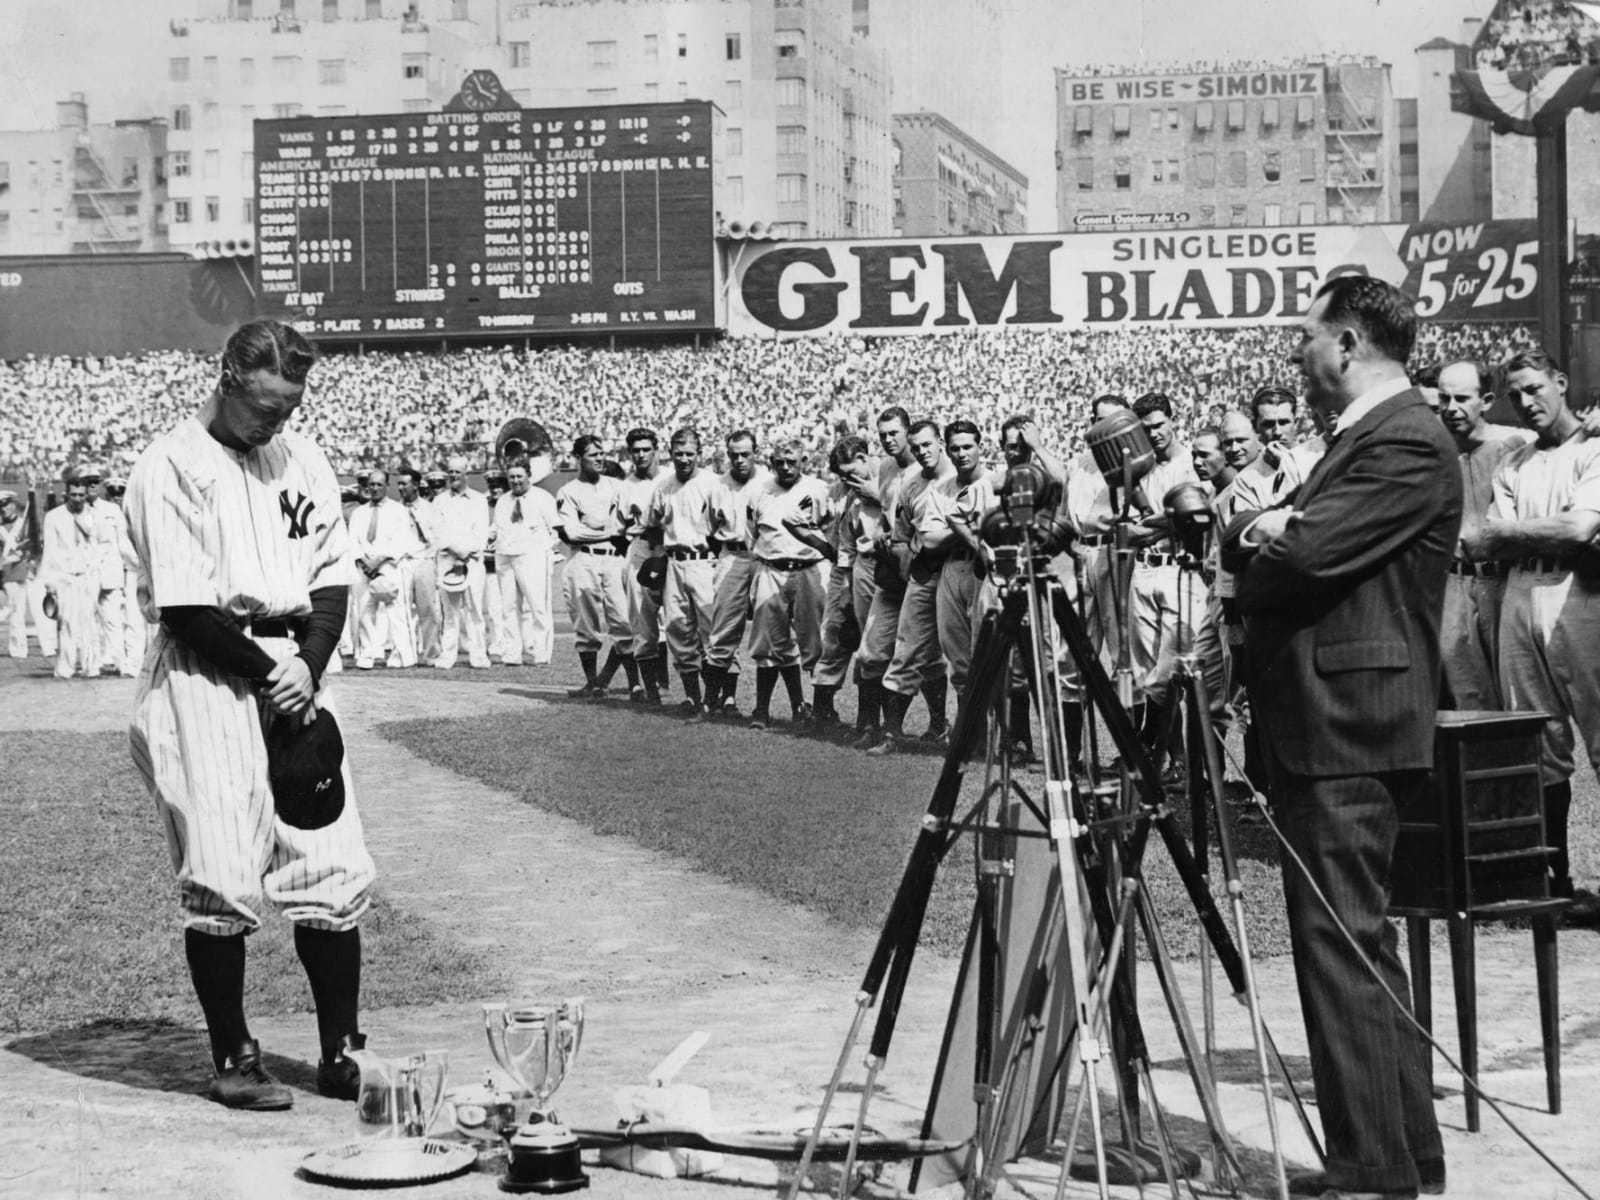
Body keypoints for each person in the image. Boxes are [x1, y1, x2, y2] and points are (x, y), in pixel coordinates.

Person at [1223, 275, 1453, 1199]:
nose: (1298, 358)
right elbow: (1280, 541)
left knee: (1339, 947)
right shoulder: (1365, 439)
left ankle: (1370, 1169)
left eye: (1306, 340)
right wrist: (1268, 528)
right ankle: (1404, 1158)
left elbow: (1307, 555)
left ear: (1348, 342)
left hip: (1348, 726)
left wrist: (1272, 535)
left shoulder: (1402, 439)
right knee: (1359, 945)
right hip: (1336, 722)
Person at [125, 319, 375, 1111]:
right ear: (227, 378)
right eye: (267, 407)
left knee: (331, 864)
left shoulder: (300, 456)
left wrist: (308, 665)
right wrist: (279, 674)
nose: (278, 424)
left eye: (289, 408)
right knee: (225, 871)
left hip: (296, 668)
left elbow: (332, 575)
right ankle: (234, 1057)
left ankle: (342, 1051)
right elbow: (187, 608)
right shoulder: (171, 465)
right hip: (208, 673)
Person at [1461, 348, 1600, 924]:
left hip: (1583, 597)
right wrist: (1526, 535)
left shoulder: (1593, 448)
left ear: (1561, 383)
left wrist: (1511, 534)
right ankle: (1554, 884)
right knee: (1536, 744)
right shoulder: (1514, 461)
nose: (1526, 401)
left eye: (1535, 387)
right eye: (1515, 393)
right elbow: (1480, 541)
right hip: (1520, 594)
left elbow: (1578, 527)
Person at [1435, 359, 1532, 710]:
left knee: (1520, 694)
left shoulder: (1516, 443)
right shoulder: (1432, 448)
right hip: (1454, 584)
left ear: (1486, 401)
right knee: (1469, 696)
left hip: (1507, 580)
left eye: (1462, 398)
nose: (1451, 408)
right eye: (1444, 400)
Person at [870, 419, 957, 754]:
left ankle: (967, 737)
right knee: (907, 650)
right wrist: (907, 556)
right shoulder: (912, 485)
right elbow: (902, 534)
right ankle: (892, 734)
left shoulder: (961, 479)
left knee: (963, 656)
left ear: (941, 444)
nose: (922, 452)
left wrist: (941, 542)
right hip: (923, 573)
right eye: (916, 446)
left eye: (928, 445)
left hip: (957, 570)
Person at [744, 438, 833, 729]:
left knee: (817, 642)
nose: (785, 467)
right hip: (772, 567)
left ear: (803, 461)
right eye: (779, 462)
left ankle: (822, 711)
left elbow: (831, 530)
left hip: (810, 569)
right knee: (769, 641)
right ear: (771, 463)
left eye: (791, 462)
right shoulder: (759, 490)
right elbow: (750, 535)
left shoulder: (818, 489)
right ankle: (762, 710)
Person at [643, 427, 725, 713]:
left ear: (699, 454)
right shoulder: (664, 486)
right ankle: (693, 696)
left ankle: (720, 699)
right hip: (674, 561)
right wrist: (659, 555)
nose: (684, 459)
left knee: (713, 630)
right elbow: (651, 525)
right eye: (678, 454)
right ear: (670, 454)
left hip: (705, 560)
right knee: (678, 630)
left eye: (690, 454)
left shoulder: (714, 483)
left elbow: (725, 527)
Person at [851, 406, 919, 747]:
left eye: (894, 432)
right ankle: (871, 727)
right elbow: (887, 517)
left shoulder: (925, 467)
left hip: (919, 567)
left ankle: (899, 730)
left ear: (908, 430)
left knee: (918, 655)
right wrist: (877, 536)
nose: (889, 440)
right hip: (889, 568)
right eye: (883, 435)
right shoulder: (888, 467)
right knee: (871, 651)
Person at [557, 435, 635, 698]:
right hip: (583, 558)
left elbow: (628, 525)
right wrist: (608, 532)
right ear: (578, 458)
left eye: (601, 454)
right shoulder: (569, 491)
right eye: (593, 455)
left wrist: (604, 531)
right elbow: (572, 533)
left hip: (614, 558)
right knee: (585, 623)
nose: (600, 459)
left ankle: (635, 684)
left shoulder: (617, 486)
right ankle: (592, 683)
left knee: (623, 620)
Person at [701, 430, 768, 716]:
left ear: (756, 452)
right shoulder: (718, 486)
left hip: (765, 555)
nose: (739, 460)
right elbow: (709, 530)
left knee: (770, 628)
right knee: (723, 630)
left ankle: (773, 709)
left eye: (745, 454)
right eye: (734, 455)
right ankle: (714, 700)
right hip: (732, 554)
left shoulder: (769, 481)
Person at [616, 428, 669, 701]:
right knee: (643, 622)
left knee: (681, 621)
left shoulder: (670, 478)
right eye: (635, 450)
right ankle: (652, 690)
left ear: (656, 450)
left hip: (671, 549)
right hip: (640, 548)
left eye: (646, 449)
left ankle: (691, 692)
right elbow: (618, 527)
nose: (640, 455)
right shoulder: (626, 486)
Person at [492, 459, 559, 666]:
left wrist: (545, 548)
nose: (515, 481)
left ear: (529, 476)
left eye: (519, 476)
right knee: (509, 608)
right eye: (511, 477)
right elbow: (496, 528)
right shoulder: (503, 500)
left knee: (538, 607)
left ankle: (541, 654)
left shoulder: (543, 498)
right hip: (505, 556)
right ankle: (512, 654)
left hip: (533, 556)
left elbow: (555, 527)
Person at [348, 467, 417, 669]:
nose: (375, 488)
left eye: (379, 484)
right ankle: (367, 654)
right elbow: (353, 541)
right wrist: (364, 561)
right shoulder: (359, 513)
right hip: (364, 568)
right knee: (363, 612)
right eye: (372, 485)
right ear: (367, 487)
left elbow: (402, 540)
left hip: (390, 565)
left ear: (387, 486)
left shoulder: (399, 511)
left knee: (397, 614)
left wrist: (379, 560)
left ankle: (402, 655)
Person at [39, 470, 102, 680]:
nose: (77, 499)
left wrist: (97, 575)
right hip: (64, 576)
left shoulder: (93, 515)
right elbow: (49, 550)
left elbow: (97, 547)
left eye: (81, 495)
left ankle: (91, 667)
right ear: (66, 494)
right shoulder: (54, 517)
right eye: (73, 495)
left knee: (89, 623)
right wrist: (49, 581)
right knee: (66, 623)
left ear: (86, 495)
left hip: (88, 575)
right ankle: (65, 668)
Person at [431, 455, 491, 669]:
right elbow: (438, 533)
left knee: (475, 610)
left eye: (458, 471)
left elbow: (481, 533)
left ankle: (479, 655)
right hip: (447, 561)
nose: (453, 476)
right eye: (451, 471)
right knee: (449, 612)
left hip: (473, 562)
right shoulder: (439, 501)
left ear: (466, 473)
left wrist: (466, 553)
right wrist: (457, 552)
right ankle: (448, 655)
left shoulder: (479, 500)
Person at [394, 467, 440, 665]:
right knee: (402, 611)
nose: (401, 488)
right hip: (403, 561)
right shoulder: (394, 509)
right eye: (399, 484)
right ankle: (406, 655)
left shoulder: (430, 509)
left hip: (424, 560)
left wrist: (430, 559)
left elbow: (437, 537)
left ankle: (432, 654)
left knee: (427, 609)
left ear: (416, 485)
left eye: (405, 483)